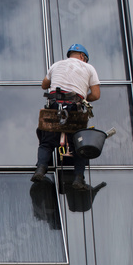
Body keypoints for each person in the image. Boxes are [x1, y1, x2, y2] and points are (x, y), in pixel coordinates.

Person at [32, 43, 101, 190]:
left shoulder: (56, 65)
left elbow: (44, 85)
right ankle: (78, 179)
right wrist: (84, 99)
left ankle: (40, 170)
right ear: (83, 57)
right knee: (80, 146)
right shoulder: (88, 68)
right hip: (74, 109)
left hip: (54, 108)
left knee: (46, 142)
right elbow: (96, 94)